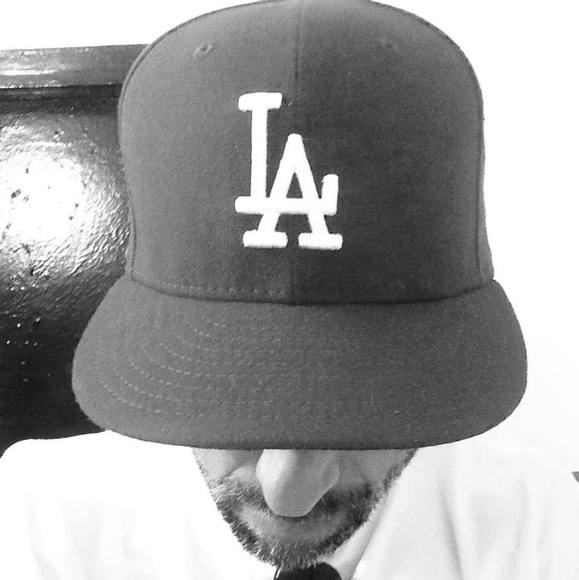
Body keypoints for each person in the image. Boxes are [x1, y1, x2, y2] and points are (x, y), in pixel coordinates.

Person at [1, 0, 578, 578]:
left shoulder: (538, 522)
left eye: (359, 410)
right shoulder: (42, 520)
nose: (289, 492)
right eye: (226, 397)